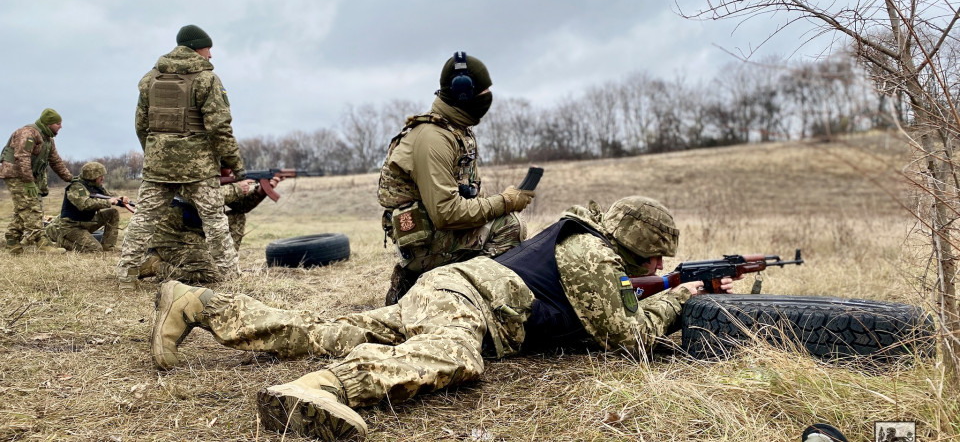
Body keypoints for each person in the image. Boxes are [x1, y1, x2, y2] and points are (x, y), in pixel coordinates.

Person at [150, 195, 736, 441]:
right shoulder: (591, 254)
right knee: (455, 355)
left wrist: (672, 287)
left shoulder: (592, 247)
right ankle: (323, 387)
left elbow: (615, 308)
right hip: (467, 303)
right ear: (636, 240)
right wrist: (683, 297)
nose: (660, 264)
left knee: (330, 330)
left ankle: (201, 303)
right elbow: (626, 337)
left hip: (453, 289)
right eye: (657, 254)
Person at [378, 51, 535, 305]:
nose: (488, 98)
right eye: (483, 92)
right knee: (511, 226)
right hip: (425, 245)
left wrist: (500, 201)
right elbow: (446, 213)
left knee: (504, 220)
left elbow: (468, 195)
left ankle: (460, 288)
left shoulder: (457, 132)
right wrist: (505, 202)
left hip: (438, 233)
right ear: (464, 93)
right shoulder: (433, 139)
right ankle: (450, 292)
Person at [117, 24, 246, 290]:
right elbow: (219, 127)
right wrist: (234, 163)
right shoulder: (207, 79)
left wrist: (155, 152)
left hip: (158, 166)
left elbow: (141, 125)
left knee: (143, 220)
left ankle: (126, 278)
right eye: (208, 49)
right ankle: (232, 280)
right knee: (215, 222)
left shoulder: (150, 78)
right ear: (197, 48)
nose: (210, 56)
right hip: (198, 168)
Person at [139, 174, 282, 284]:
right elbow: (202, 197)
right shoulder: (189, 171)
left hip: (195, 231)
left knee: (237, 217)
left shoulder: (216, 179)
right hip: (174, 236)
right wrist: (237, 188)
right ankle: (157, 267)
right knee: (213, 274)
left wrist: (262, 190)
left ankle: (227, 263)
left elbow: (241, 207)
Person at [1, 108, 72, 255]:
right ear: (48, 123)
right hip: (16, 175)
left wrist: (70, 178)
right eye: (58, 123)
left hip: (28, 177)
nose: (61, 126)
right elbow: (22, 156)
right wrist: (28, 181)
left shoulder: (48, 139)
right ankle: (41, 241)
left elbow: (55, 160)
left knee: (23, 209)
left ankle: (12, 241)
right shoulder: (27, 133)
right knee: (31, 207)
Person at [45, 161, 130, 252]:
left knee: (113, 213)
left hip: (87, 222)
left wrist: (121, 199)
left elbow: (110, 196)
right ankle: (62, 241)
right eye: (100, 176)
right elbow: (85, 204)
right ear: (92, 176)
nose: (103, 178)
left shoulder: (95, 186)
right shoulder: (76, 187)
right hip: (72, 227)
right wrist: (108, 202)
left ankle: (108, 246)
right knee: (95, 249)